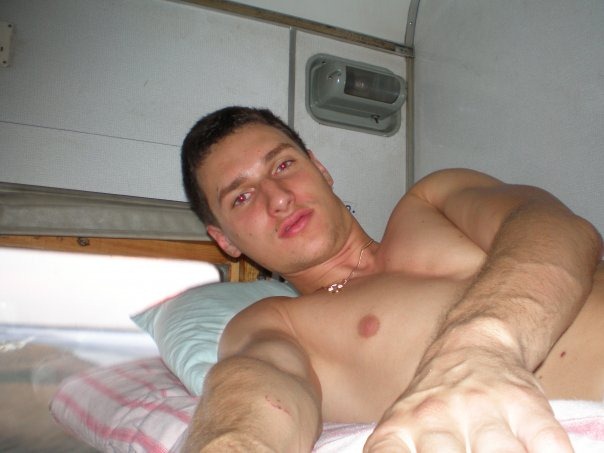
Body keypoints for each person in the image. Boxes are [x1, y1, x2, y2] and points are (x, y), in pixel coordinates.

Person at [180, 106, 602, 452]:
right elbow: (255, 387)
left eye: (284, 165)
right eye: (242, 197)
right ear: (224, 240)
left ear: (320, 168)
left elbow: (555, 226)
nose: (279, 198)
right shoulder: (279, 322)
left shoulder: (431, 200)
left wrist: (480, 345)